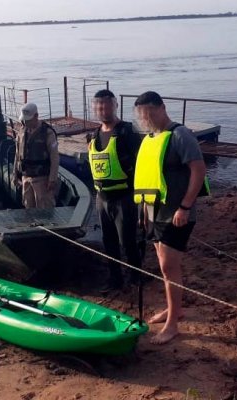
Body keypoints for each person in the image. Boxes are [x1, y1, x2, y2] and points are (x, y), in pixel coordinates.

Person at [133, 91, 209, 344]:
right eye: (143, 115)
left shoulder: (180, 135)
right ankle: (173, 308)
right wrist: (144, 211)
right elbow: (148, 177)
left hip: (177, 212)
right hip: (154, 210)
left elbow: (198, 169)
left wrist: (185, 207)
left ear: (162, 108)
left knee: (169, 266)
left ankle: (173, 323)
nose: (147, 118)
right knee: (163, 265)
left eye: (151, 112)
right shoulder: (151, 139)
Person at [87, 89, 143, 292]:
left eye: (106, 105)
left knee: (127, 240)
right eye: (98, 105)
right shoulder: (93, 135)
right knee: (108, 241)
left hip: (124, 197)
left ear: (115, 105)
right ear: (94, 108)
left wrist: (143, 198)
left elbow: (141, 164)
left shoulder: (127, 132)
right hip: (102, 198)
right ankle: (115, 279)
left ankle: (136, 277)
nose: (102, 109)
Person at [14, 102, 59, 209]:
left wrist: (52, 179)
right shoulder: (21, 132)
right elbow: (17, 154)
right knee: (28, 208)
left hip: (42, 178)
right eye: (24, 120)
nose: (26, 122)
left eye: (28, 120)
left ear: (36, 116)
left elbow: (54, 157)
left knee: (44, 209)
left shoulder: (47, 132)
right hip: (26, 177)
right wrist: (15, 174)